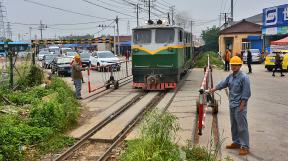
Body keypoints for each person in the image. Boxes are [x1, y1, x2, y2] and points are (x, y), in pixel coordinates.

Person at [210, 56, 251, 156]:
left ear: (240, 65)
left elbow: (246, 93)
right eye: (232, 64)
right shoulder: (231, 76)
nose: (233, 66)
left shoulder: (244, 78)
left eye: (236, 65)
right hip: (232, 104)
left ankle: (245, 146)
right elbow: (223, 84)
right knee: (234, 125)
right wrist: (214, 89)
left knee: (242, 126)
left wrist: (242, 105)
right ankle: (236, 142)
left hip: (240, 105)